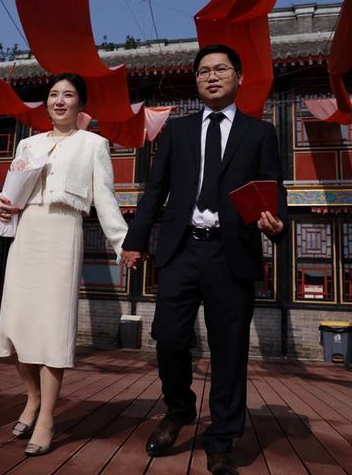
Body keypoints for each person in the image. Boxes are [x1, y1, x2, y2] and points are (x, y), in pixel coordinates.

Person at [120, 44, 288, 475]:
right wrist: (134, 240)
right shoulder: (176, 131)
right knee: (169, 337)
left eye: (221, 69)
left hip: (232, 252)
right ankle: (179, 410)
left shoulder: (259, 133)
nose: (211, 77)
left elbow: (274, 187)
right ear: (195, 80)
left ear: (239, 78)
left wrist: (277, 223)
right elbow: (154, 190)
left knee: (229, 350)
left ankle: (221, 439)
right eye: (203, 71)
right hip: (182, 249)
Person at [0, 73, 128, 456]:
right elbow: (12, 190)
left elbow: (105, 199)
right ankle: (31, 397)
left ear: (81, 104)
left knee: (51, 328)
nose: (59, 101)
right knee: (15, 327)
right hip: (27, 232)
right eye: (53, 95)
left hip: (63, 233)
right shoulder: (28, 143)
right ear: (46, 103)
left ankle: (46, 416)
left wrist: (124, 243)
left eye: (68, 95)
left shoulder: (94, 144)